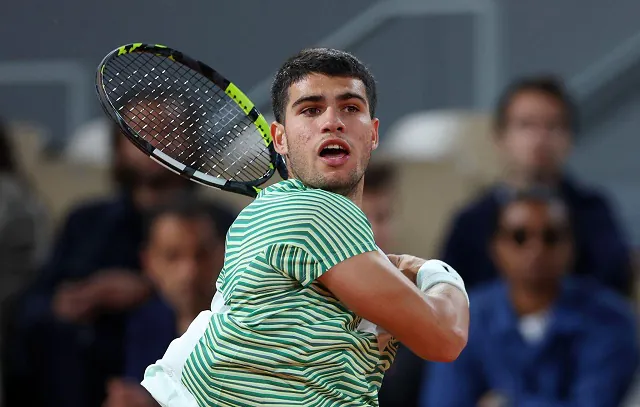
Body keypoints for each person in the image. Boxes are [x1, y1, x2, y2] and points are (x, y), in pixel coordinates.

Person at [140, 48, 470, 406]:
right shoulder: (311, 213)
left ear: (373, 134)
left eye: (350, 108)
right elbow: (445, 336)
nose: (332, 121)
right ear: (278, 138)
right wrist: (436, 272)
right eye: (311, 110)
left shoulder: (274, 213)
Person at [423, 190, 639, 407]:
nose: (536, 249)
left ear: (571, 246)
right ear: (496, 247)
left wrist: (505, 404)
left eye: (551, 237)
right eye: (519, 237)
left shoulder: (610, 320)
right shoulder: (463, 319)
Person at [440, 75, 632, 295]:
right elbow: (449, 296)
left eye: (552, 126)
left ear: (569, 137)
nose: (540, 138)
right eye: (526, 125)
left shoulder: (593, 211)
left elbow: (614, 282)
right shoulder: (470, 221)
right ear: (500, 137)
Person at [104, 196, 227, 407]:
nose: (189, 271)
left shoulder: (248, 328)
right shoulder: (137, 324)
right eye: (172, 256)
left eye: (202, 255)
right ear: (148, 261)